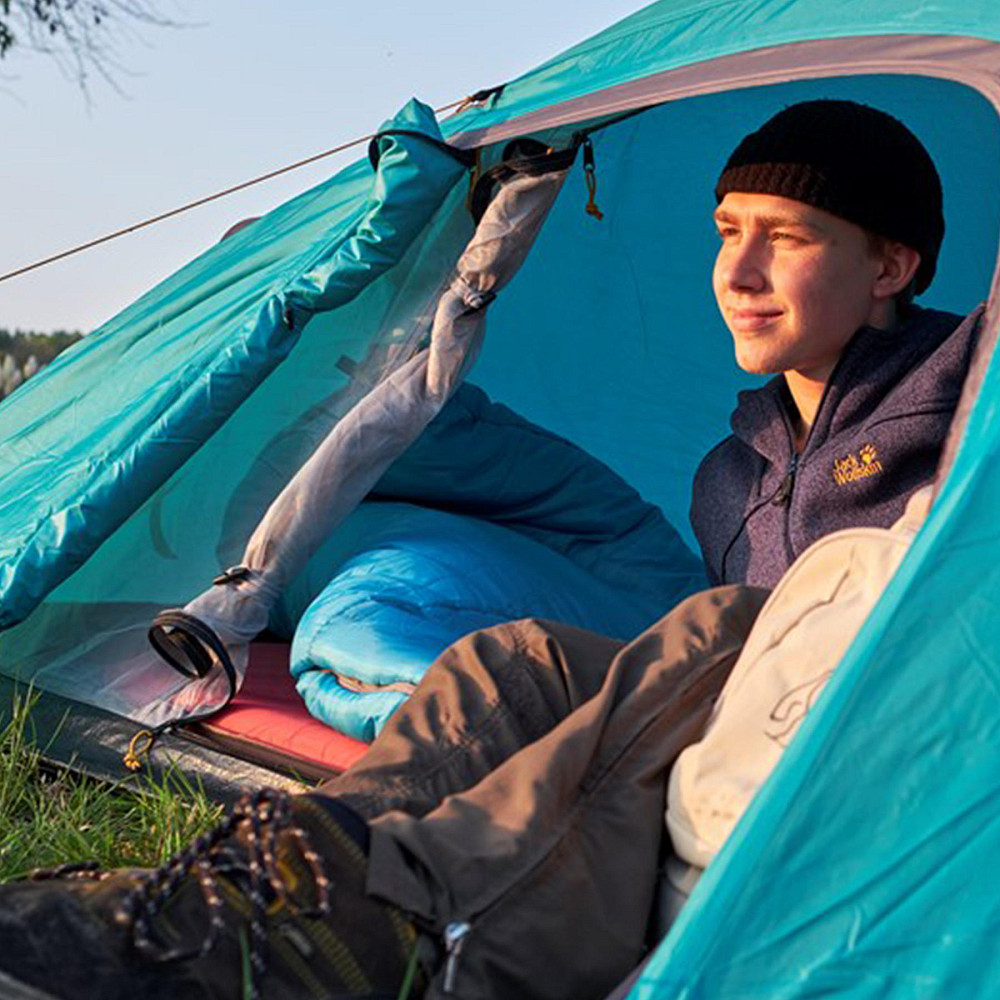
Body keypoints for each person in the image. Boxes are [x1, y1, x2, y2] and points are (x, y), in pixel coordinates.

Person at [0, 100, 980, 1000]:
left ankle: (403, 924)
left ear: (889, 267)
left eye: (788, 238)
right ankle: (288, 882)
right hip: (754, 729)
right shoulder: (728, 473)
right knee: (513, 659)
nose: (737, 271)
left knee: (722, 625)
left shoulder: (970, 407)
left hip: (901, 730)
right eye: (727, 232)